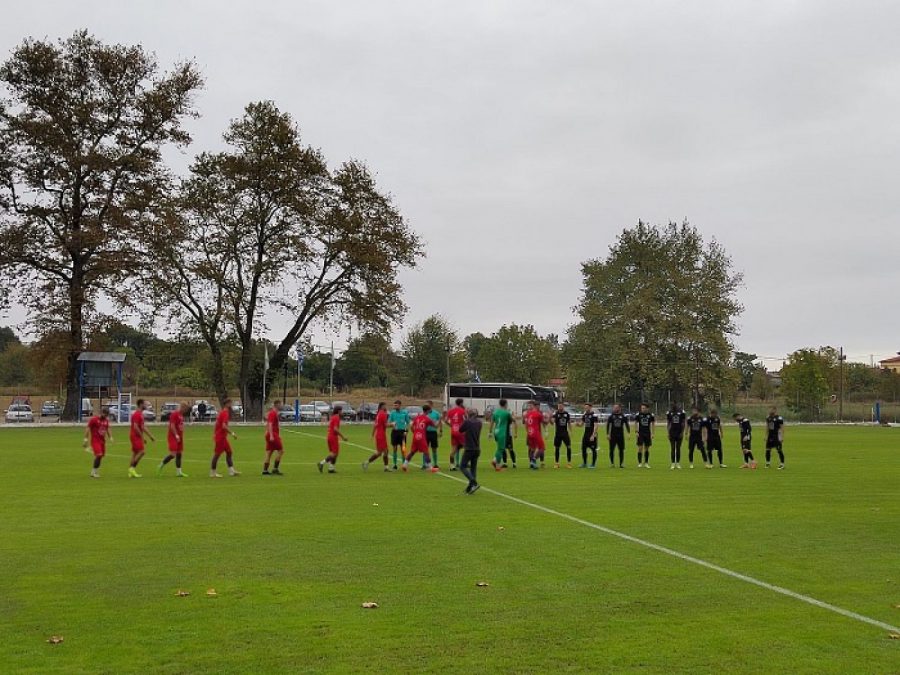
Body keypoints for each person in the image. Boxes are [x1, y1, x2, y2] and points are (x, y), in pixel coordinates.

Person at [402, 404, 439, 472]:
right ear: (428, 410)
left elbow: (411, 426)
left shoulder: (417, 417)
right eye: (430, 410)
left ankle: (405, 464)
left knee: (412, 451)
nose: (431, 410)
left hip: (416, 436)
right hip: (421, 437)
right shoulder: (428, 419)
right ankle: (431, 468)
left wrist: (414, 432)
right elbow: (436, 426)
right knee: (426, 452)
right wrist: (440, 420)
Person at [210, 398, 240, 478]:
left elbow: (217, 424)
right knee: (217, 454)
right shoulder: (225, 413)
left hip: (222, 437)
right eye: (230, 403)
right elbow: (224, 426)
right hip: (221, 437)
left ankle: (231, 471)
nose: (231, 405)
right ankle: (213, 472)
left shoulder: (222, 412)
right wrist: (232, 433)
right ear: (227, 404)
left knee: (229, 452)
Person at [158, 401, 189, 477]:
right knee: (173, 454)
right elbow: (172, 426)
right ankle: (161, 465)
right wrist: (176, 435)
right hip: (173, 437)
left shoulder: (181, 415)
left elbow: (180, 425)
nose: (186, 411)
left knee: (179, 454)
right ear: (182, 407)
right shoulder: (174, 414)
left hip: (180, 436)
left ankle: (179, 472)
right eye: (186, 409)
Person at [128, 398, 155, 478]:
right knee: (142, 452)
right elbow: (136, 427)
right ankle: (132, 469)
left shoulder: (140, 414)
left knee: (135, 454)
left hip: (135, 435)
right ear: (140, 404)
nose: (146, 405)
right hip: (135, 435)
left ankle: (130, 472)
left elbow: (143, 427)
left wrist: (150, 436)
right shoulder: (137, 414)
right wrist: (142, 437)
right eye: (145, 404)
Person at [458, 408, 483, 494]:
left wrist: (465, 420)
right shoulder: (479, 423)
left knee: (462, 466)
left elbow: (460, 430)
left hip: (469, 448)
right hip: (477, 448)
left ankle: (473, 482)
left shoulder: (467, 422)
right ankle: (470, 487)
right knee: (473, 468)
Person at [84, 406, 112, 478]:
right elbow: (88, 428)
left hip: (102, 441)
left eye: (107, 414)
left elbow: (108, 428)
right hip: (95, 441)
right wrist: (85, 439)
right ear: (101, 412)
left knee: (100, 457)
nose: (105, 415)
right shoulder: (94, 419)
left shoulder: (106, 420)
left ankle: (95, 471)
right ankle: (93, 472)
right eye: (104, 414)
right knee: (99, 455)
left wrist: (110, 437)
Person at [488, 399, 516, 471]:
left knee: (500, 448)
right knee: (501, 449)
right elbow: (513, 420)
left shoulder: (495, 412)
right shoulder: (506, 413)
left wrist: (490, 432)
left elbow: (491, 423)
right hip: (502, 432)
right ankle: (497, 467)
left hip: (496, 431)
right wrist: (514, 416)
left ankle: (494, 461)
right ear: (505, 404)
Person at [318, 405, 348, 473]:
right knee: (334, 454)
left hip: (329, 436)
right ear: (339, 411)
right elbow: (335, 429)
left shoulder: (333, 417)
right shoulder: (337, 417)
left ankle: (331, 468)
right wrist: (343, 437)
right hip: (333, 437)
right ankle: (321, 463)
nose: (342, 412)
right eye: (341, 411)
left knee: (335, 453)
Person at [363, 402, 391, 472]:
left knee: (384, 451)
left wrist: (372, 435)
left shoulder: (378, 414)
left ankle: (386, 467)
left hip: (378, 435)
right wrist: (392, 424)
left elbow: (375, 425)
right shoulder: (383, 414)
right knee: (381, 452)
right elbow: (385, 425)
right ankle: (367, 463)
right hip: (381, 435)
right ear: (382, 406)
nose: (386, 407)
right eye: (385, 406)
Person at [262, 399, 284, 475]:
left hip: (271, 434)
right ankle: (275, 469)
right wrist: (271, 435)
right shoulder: (273, 413)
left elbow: (268, 424)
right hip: (272, 435)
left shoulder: (274, 413)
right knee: (281, 451)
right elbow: (270, 424)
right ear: (277, 404)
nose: (282, 405)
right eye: (281, 404)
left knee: (269, 452)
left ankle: (265, 470)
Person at [387, 400, 410, 471]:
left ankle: (404, 464)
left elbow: (408, 423)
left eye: (396, 405)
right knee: (394, 449)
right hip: (395, 432)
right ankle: (394, 464)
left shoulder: (405, 413)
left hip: (402, 432)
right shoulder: (392, 413)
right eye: (394, 405)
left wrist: (406, 431)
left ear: (400, 405)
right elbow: (388, 423)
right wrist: (391, 424)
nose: (394, 406)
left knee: (403, 449)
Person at [523, 400, 547, 469]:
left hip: (530, 433)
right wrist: (549, 417)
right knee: (541, 448)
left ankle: (532, 463)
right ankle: (533, 460)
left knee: (532, 449)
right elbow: (544, 422)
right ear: (535, 406)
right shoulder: (538, 414)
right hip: (536, 433)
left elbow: (526, 424)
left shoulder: (528, 414)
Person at [446, 398, 467, 470]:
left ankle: (452, 466)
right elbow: (466, 421)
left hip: (453, 431)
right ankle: (464, 463)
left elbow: (446, 421)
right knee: (467, 447)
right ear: (461, 403)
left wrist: (451, 426)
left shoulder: (450, 411)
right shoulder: (463, 411)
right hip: (461, 432)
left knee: (453, 449)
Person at [551, 402, 572, 468]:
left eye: (561, 406)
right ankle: (557, 463)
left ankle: (569, 463)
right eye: (558, 406)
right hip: (558, 434)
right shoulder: (556, 414)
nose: (560, 407)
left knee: (568, 447)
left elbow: (569, 423)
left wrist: (571, 431)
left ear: (563, 406)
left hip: (565, 433)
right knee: (557, 448)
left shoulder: (566, 414)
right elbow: (552, 422)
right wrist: (549, 418)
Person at [634, 403, 655, 468]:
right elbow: (635, 423)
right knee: (640, 448)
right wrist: (636, 431)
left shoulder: (651, 415)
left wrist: (653, 433)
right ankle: (640, 463)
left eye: (644, 408)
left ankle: (646, 463)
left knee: (647, 448)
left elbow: (653, 424)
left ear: (647, 408)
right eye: (642, 408)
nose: (642, 409)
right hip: (640, 433)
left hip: (647, 433)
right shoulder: (638, 415)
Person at [579, 403, 599, 468]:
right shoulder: (585, 415)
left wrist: (593, 435)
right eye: (585, 407)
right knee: (583, 449)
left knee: (593, 449)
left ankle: (593, 464)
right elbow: (581, 424)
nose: (586, 408)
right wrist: (578, 424)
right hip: (586, 434)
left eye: (587, 407)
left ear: (590, 407)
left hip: (592, 434)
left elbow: (596, 426)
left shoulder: (594, 415)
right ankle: (584, 463)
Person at [667, 403, 686, 469]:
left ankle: (677, 463)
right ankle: (672, 463)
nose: (674, 406)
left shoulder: (681, 412)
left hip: (679, 432)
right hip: (672, 432)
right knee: (672, 448)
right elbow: (668, 423)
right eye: (672, 405)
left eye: (675, 405)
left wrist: (682, 432)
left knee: (678, 448)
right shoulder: (669, 412)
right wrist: (668, 433)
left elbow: (683, 422)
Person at [424, 400, 443, 469]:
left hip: (433, 432)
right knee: (425, 448)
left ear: (431, 405)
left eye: (428, 405)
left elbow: (440, 422)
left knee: (434, 448)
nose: (426, 406)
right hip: (426, 432)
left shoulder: (436, 413)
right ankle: (425, 464)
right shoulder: (424, 414)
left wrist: (440, 431)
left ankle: (435, 463)